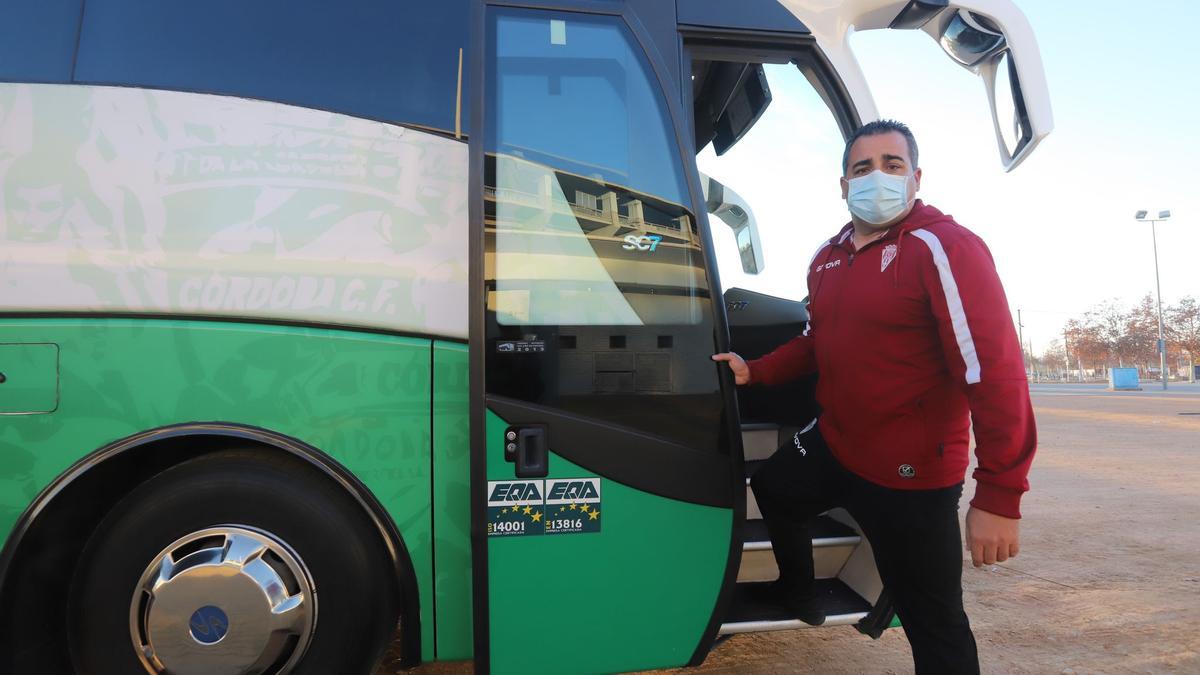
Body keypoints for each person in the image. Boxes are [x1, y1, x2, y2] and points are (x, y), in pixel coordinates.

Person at [712, 119, 1036, 673]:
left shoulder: (945, 247)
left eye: (892, 165)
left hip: (910, 475)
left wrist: (1000, 495)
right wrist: (755, 372)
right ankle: (799, 593)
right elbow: (816, 342)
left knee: (934, 624)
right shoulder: (828, 256)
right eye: (862, 168)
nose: (877, 177)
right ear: (843, 184)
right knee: (773, 486)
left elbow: (995, 373)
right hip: (839, 444)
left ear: (916, 177)